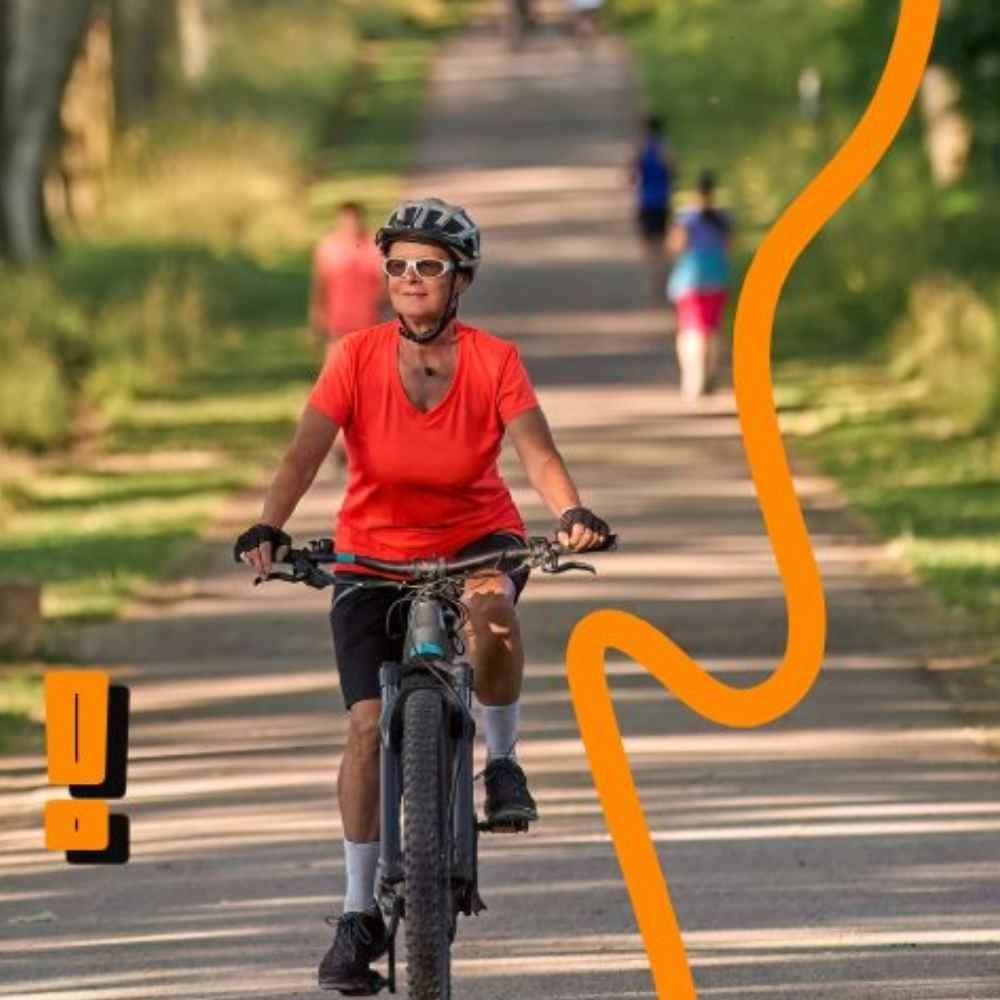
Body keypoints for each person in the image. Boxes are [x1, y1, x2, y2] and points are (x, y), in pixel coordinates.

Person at [234, 197, 612, 994]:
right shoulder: (355, 356)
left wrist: (571, 512)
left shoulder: (495, 360)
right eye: (398, 266)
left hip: (478, 539)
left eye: (428, 267)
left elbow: (537, 451)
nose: (409, 279)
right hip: (371, 553)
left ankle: (501, 764)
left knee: (493, 614)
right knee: (366, 728)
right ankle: (356, 914)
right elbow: (305, 452)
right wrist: (270, 525)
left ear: (460, 279)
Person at [308, 202, 386, 469]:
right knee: (337, 389)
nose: (351, 226)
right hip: (337, 328)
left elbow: (386, 286)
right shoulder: (328, 248)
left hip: (368, 327)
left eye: (355, 220)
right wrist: (316, 319)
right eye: (346, 221)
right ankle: (339, 444)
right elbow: (319, 285)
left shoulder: (374, 247)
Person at [666, 169, 733, 399]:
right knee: (712, 330)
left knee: (689, 331)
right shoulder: (723, 219)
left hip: (689, 281)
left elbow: (676, 246)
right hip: (717, 279)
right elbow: (728, 245)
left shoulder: (686, 218)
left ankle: (692, 378)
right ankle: (710, 373)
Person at [629, 115, 676, 303]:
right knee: (663, 241)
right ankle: (663, 277)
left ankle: (653, 279)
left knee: (648, 244)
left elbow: (632, 176)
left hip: (645, 201)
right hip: (662, 201)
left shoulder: (640, 149)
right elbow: (674, 172)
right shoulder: (665, 149)